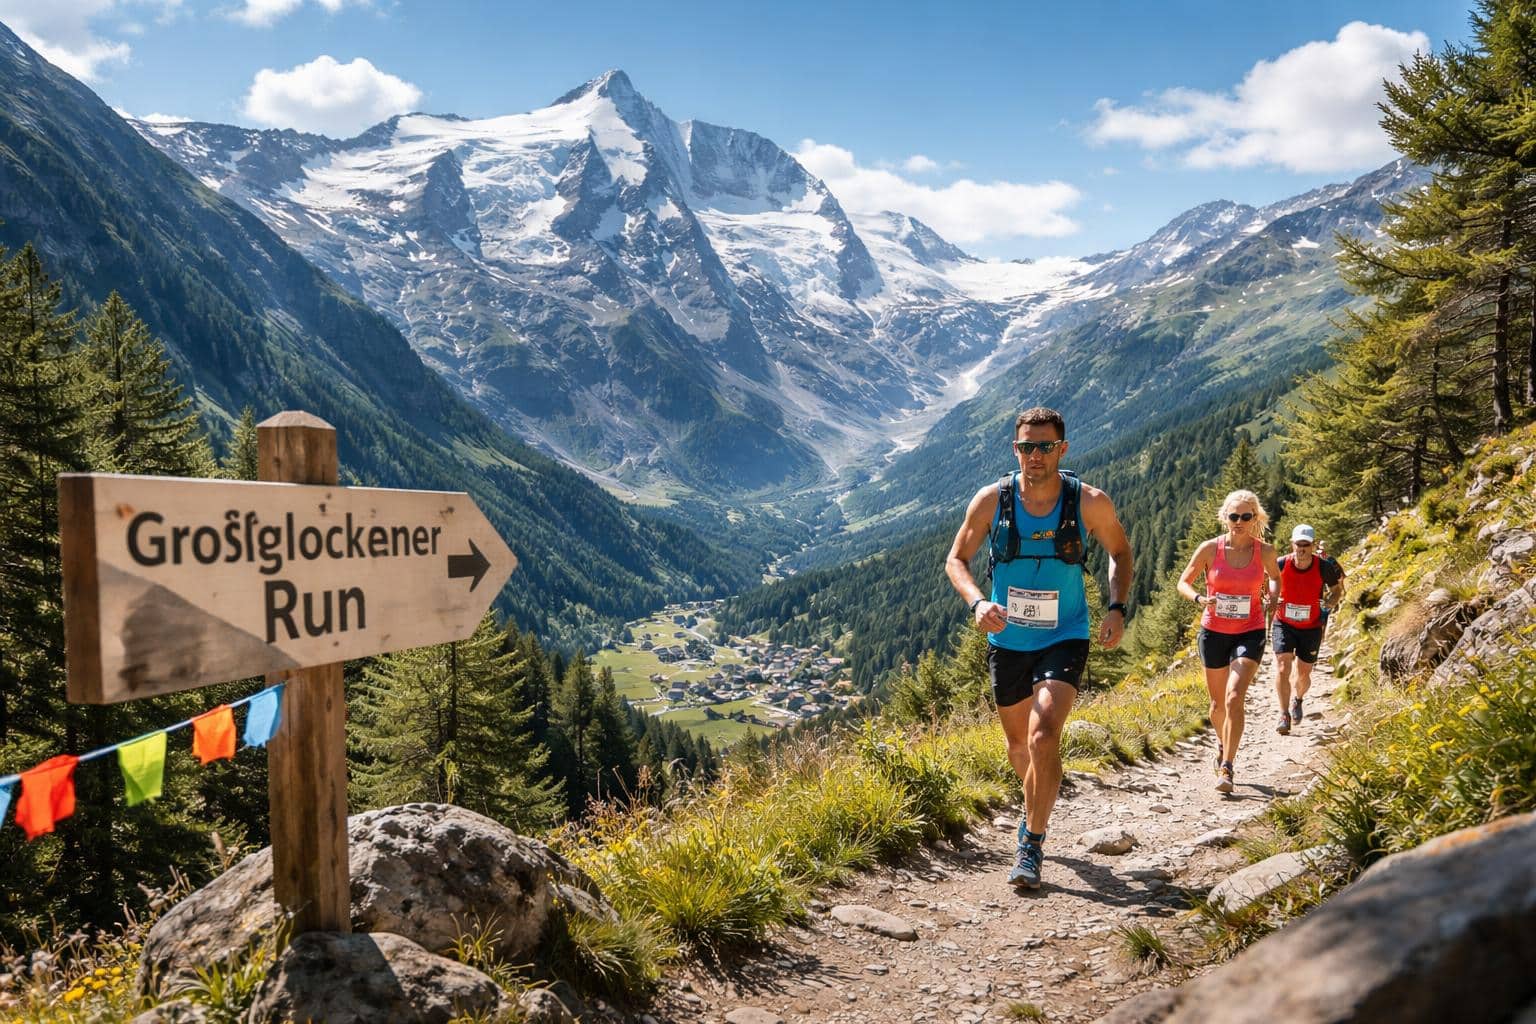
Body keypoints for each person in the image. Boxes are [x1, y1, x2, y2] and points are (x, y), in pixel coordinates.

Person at [946, 406, 1134, 890]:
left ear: (1062, 449)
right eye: (1027, 446)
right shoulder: (992, 501)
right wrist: (977, 602)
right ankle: (1042, 792)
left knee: (1043, 734)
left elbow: (1120, 552)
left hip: (1064, 632)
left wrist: (1116, 608)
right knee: (1018, 746)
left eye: (1045, 446)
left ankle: (1031, 840)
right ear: (1016, 449)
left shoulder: (1089, 502)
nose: (1035, 455)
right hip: (1007, 637)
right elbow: (957, 560)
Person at [1176, 490, 1282, 794]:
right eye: (1234, 516)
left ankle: (1228, 766)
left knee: (1235, 696)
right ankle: (1222, 743)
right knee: (1218, 703)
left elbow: (1274, 577)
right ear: (1225, 517)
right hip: (1214, 632)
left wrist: (1272, 596)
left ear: (1255, 518)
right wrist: (1199, 597)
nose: (1239, 521)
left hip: (1249, 630)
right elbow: (1184, 581)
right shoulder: (1210, 549)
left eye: (1246, 516)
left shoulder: (1265, 551)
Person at [1268, 524, 1331, 733]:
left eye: (1306, 545)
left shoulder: (1323, 566)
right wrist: (1270, 597)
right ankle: (1283, 714)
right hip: (1283, 623)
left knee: (1303, 674)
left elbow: (1338, 589)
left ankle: (1298, 699)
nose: (1302, 549)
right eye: (1298, 544)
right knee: (1283, 667)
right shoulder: (1280, 564)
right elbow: (1262, 585)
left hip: (1311, 626)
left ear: (1313, 545)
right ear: (1292, 544)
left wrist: (1329, 603)